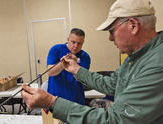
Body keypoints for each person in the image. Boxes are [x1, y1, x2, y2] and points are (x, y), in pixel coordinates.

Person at [21, 0, 163, 123]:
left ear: (133, 25)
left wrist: (51, 102)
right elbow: (110, 84)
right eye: (73, 42)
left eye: (111, 31)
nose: (110, 38)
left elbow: (115, 119)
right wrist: (76, 69)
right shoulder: (135, 57)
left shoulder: (157, 63)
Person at [46, 28, 91, 105]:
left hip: (76, 101)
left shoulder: (85, 57)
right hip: (55, 100)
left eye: (79, 43)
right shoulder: (56, 49)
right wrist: (63, 64)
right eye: (73, 42)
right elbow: (50, 72)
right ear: (68, 40)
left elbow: (82, 79)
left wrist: (76, 63)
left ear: (83, 42)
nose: (75, 46)